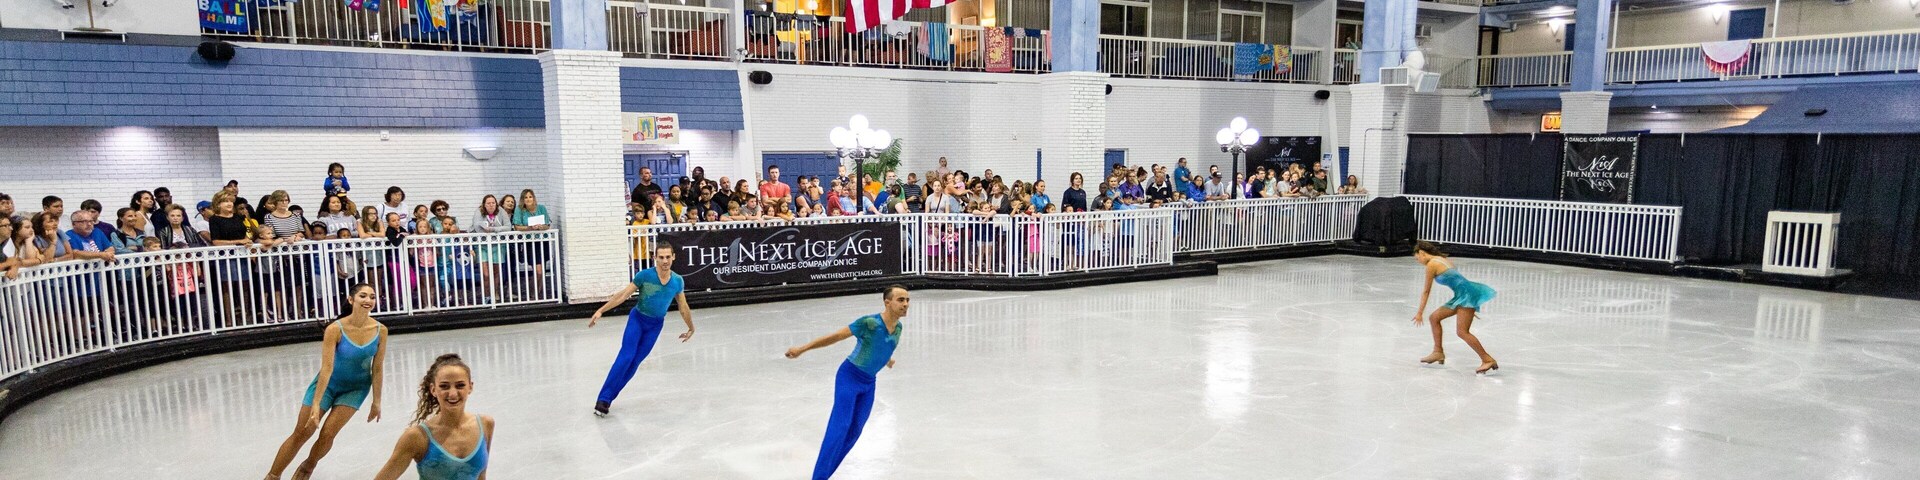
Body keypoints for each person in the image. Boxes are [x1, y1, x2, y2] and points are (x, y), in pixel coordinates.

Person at [785, 285, 910, 480]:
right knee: (840, 427)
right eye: (900, 300)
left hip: (869, 384)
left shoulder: (898, 328)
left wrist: (887, 360)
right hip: (849, 377)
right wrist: (802, 349)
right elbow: (836, 336)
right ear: (887, 302)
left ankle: (824, 475)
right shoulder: (869, 323)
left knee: (855, 431)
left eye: (907, 300)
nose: (906, 304)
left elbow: (881, 346)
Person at [266, 284, 388, 480]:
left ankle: (307, 467)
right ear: (351, 300)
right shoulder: (335, 329)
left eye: (372, 297)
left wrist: (377, 401)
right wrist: (316, 404)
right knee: (303, 432)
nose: (368, 300)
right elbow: (327, 369)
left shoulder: (381, 330)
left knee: (328, 434)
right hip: (328, 385)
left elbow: (378, 367)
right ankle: (272, 476)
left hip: (356, 389)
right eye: (363, 296)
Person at [586, 243, 695, 416]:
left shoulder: (677, 281)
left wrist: (691, 327)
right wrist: (601, 310)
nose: (665, 261)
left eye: (668, 257)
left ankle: (608, 399)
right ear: (655, 258)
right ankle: (603, 399)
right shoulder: (644, 276)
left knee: (634, 363)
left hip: (655, 326)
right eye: (661, 257)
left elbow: (683, 306)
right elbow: (623, 295)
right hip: (637, 320)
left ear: (673, 257)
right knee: (626, 356)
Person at [372, 353, 492, 480]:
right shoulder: (416, 437)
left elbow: (481, 476)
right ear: (433, 389)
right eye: (444, 386)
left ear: (470, 387)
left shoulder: (486, 424)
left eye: (460, 385)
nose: (452, 393)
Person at [1411, 242, 1499, 375]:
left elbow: (1426, 291)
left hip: (1466, 297)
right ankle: (1438, 352)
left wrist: (1419, 313)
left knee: (1462, 332)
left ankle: (1487, 359)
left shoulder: (1432, 264)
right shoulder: (1441, 260)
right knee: (1434, 318)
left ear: (1422, 253)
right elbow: (1459, 281)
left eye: (1417, 258)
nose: (1419, 261)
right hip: (1464, 296)